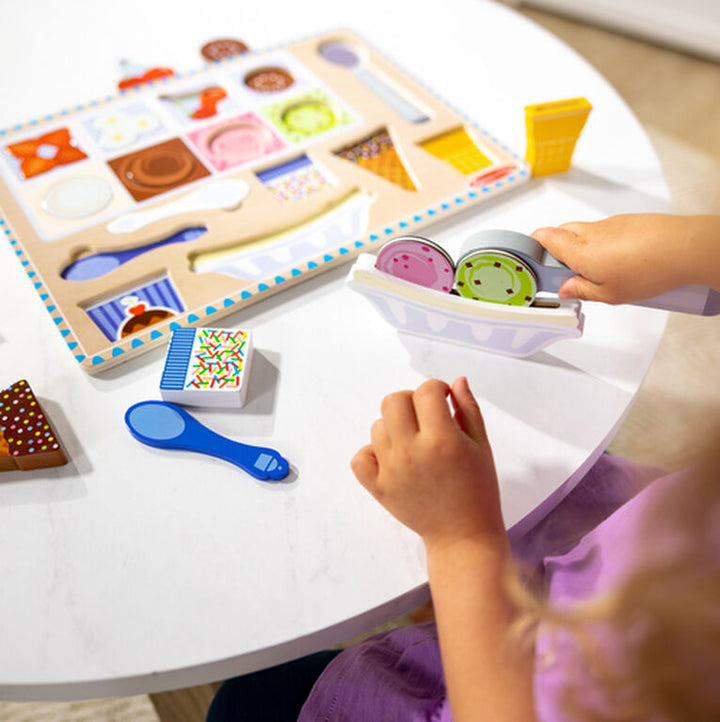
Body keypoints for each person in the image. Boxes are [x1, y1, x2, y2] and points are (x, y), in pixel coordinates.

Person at [206, 213, 720, 721]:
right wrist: (690, 245)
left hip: (518, 675)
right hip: (626, 544)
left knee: (249, 701)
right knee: (544, 474)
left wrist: (461, 540)